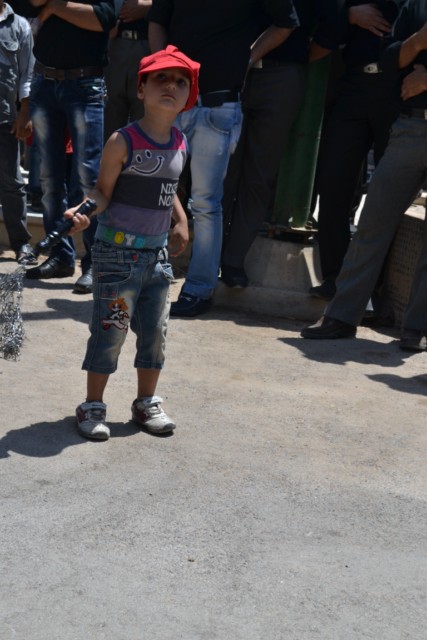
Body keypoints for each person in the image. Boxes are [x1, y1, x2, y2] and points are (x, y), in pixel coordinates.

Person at [64, 46, 199, 441]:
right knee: (112, 331)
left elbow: (168, 186)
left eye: (180, 81)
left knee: (155, 333)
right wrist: (83, 212)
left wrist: (181, 219)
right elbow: (103, 193)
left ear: (189, 96)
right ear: (141, 90)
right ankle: (92, 405)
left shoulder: (180, 142)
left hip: (157, 259)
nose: (170, 86)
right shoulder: (123, 141)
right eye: (160, 78)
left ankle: (146, 403)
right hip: (117, 259)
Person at [148, 0, 300, 316]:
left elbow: (286, 22)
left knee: (205, 203)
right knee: (154, 191)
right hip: (173, 101)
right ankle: (146, 279)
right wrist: (162, 68)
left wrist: (248, 58)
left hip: (219, 104)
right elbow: (157, 20)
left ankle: (199, 290)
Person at [300, 0, 427, 351]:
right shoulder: (416, 7)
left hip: (404, 115)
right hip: (407, 124)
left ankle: (416, 329)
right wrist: (418, 42)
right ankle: (341, 314)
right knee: (371, 222)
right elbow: (391, 57)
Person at [220, 0, 344, 289]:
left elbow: (333, 28)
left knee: (259, 176)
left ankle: (233, 261)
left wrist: (297, 58)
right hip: (230, 71)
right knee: (220, 172)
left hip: (282, 76)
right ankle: (207, 257)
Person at [15, 0, 119, 294]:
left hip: (86, 83)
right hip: (43, 80)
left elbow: (104, 19)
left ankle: (94, 263)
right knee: (49, 179)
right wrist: (55, 7)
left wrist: (55, 7)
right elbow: (26, 6)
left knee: (88, 179)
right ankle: (60, 257)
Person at [309, 0, 405, 302]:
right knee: (333, 184)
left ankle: (375, 287)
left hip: (399, 91)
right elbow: (322, 34)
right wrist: (349, 16)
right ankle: (334, 277)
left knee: (390, 194)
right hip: (353, 86)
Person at [0, 0, 37, 265]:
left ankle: (21, 243)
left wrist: (25, 112)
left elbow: (28, 73)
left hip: (6, 118)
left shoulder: (20, 25)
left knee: (12, 182)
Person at [104, 0, 151, 142]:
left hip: (149, 45)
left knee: (145, 121)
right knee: (110, 122)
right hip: (113, 44)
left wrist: (150, 6)